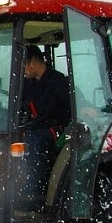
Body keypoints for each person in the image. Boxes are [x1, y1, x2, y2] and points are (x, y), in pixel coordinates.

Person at [19, 45, 71, 208]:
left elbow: (74, 104)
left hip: (57, 129)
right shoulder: (30, 84)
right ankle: (19, 189)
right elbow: (20, 103)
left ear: (33, 63)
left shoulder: (57, 81)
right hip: (36, 126)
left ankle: (35, 195)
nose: (24, 71)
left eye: (24, 65)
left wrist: (87, 108)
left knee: (34, 141)